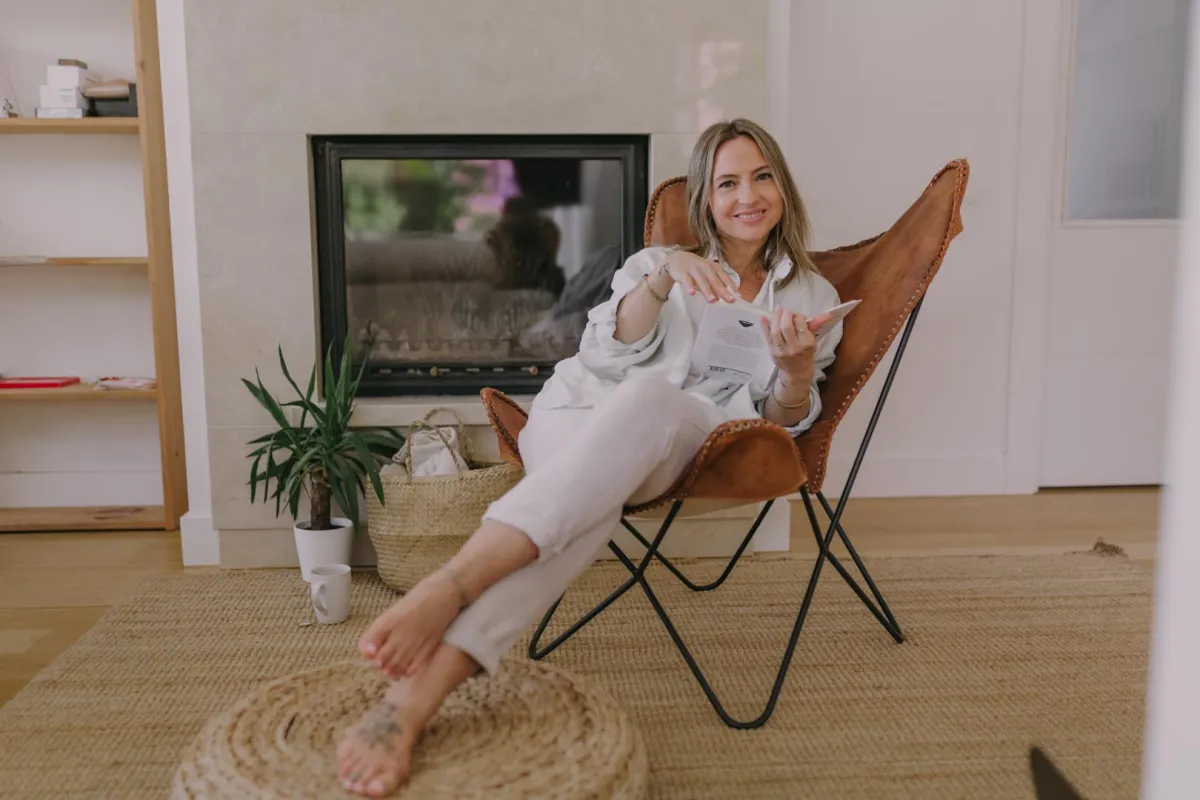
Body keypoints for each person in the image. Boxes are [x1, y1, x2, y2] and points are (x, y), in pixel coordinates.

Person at [336, 117, 844, 797]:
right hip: (574, 413)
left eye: (761, 177)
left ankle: (451, 583)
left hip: (687, 437)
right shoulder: (655, 265)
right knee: (587, 501)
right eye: (727, 183)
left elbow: (781, 423)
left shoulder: (813, 297)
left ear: (783, 186)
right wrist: (662, 277)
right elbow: (605, 353)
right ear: (705, 198)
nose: (747, 196)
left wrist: (797, 371)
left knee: (648, 399)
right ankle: (414, 699)